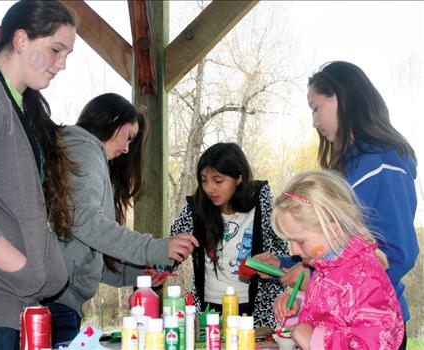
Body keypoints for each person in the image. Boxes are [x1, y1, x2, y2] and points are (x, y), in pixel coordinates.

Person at [0, 1, 77, 349]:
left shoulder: (16, 101)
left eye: (67, 54)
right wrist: (20, 266)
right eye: (55, 50)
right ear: (21, 39)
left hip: (7, 307)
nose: (63, 64)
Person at [46, 93, 199, 344]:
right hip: (57, 305)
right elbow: (85, 222)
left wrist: (134, 275)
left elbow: (85, 248)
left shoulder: (79, 152)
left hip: (62, 303)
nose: (127, 148)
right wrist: (155, 248)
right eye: (129, 137)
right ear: (115, 120)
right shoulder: (84, 149)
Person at [307, 60, 418, 348]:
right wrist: (293, 264)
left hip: (374, 326)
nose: (314, 122)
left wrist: (325, 283)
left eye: (316, 108)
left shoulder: (382, 164)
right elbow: (338, 244)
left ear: (341, 98)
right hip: (340, 323)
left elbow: (398, 252)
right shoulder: (349, 167)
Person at [272, 170, 404, 350]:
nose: (294, 250)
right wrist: (299, 307)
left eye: (300, 241)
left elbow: (375, 344)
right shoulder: (327, 267)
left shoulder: (364, 278)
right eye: (290, 241)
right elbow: (332, 314)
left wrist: (316, 341)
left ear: (332, 231)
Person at [167, 142, 288, 327]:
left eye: (218, 181)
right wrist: (158, 268)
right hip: (209, 309)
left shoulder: (262, 205)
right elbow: (172, 247)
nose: (209, 189)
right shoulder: (197, 207)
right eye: (204, 180)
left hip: (255, 311)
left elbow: (280, 256)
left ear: (239, 178)